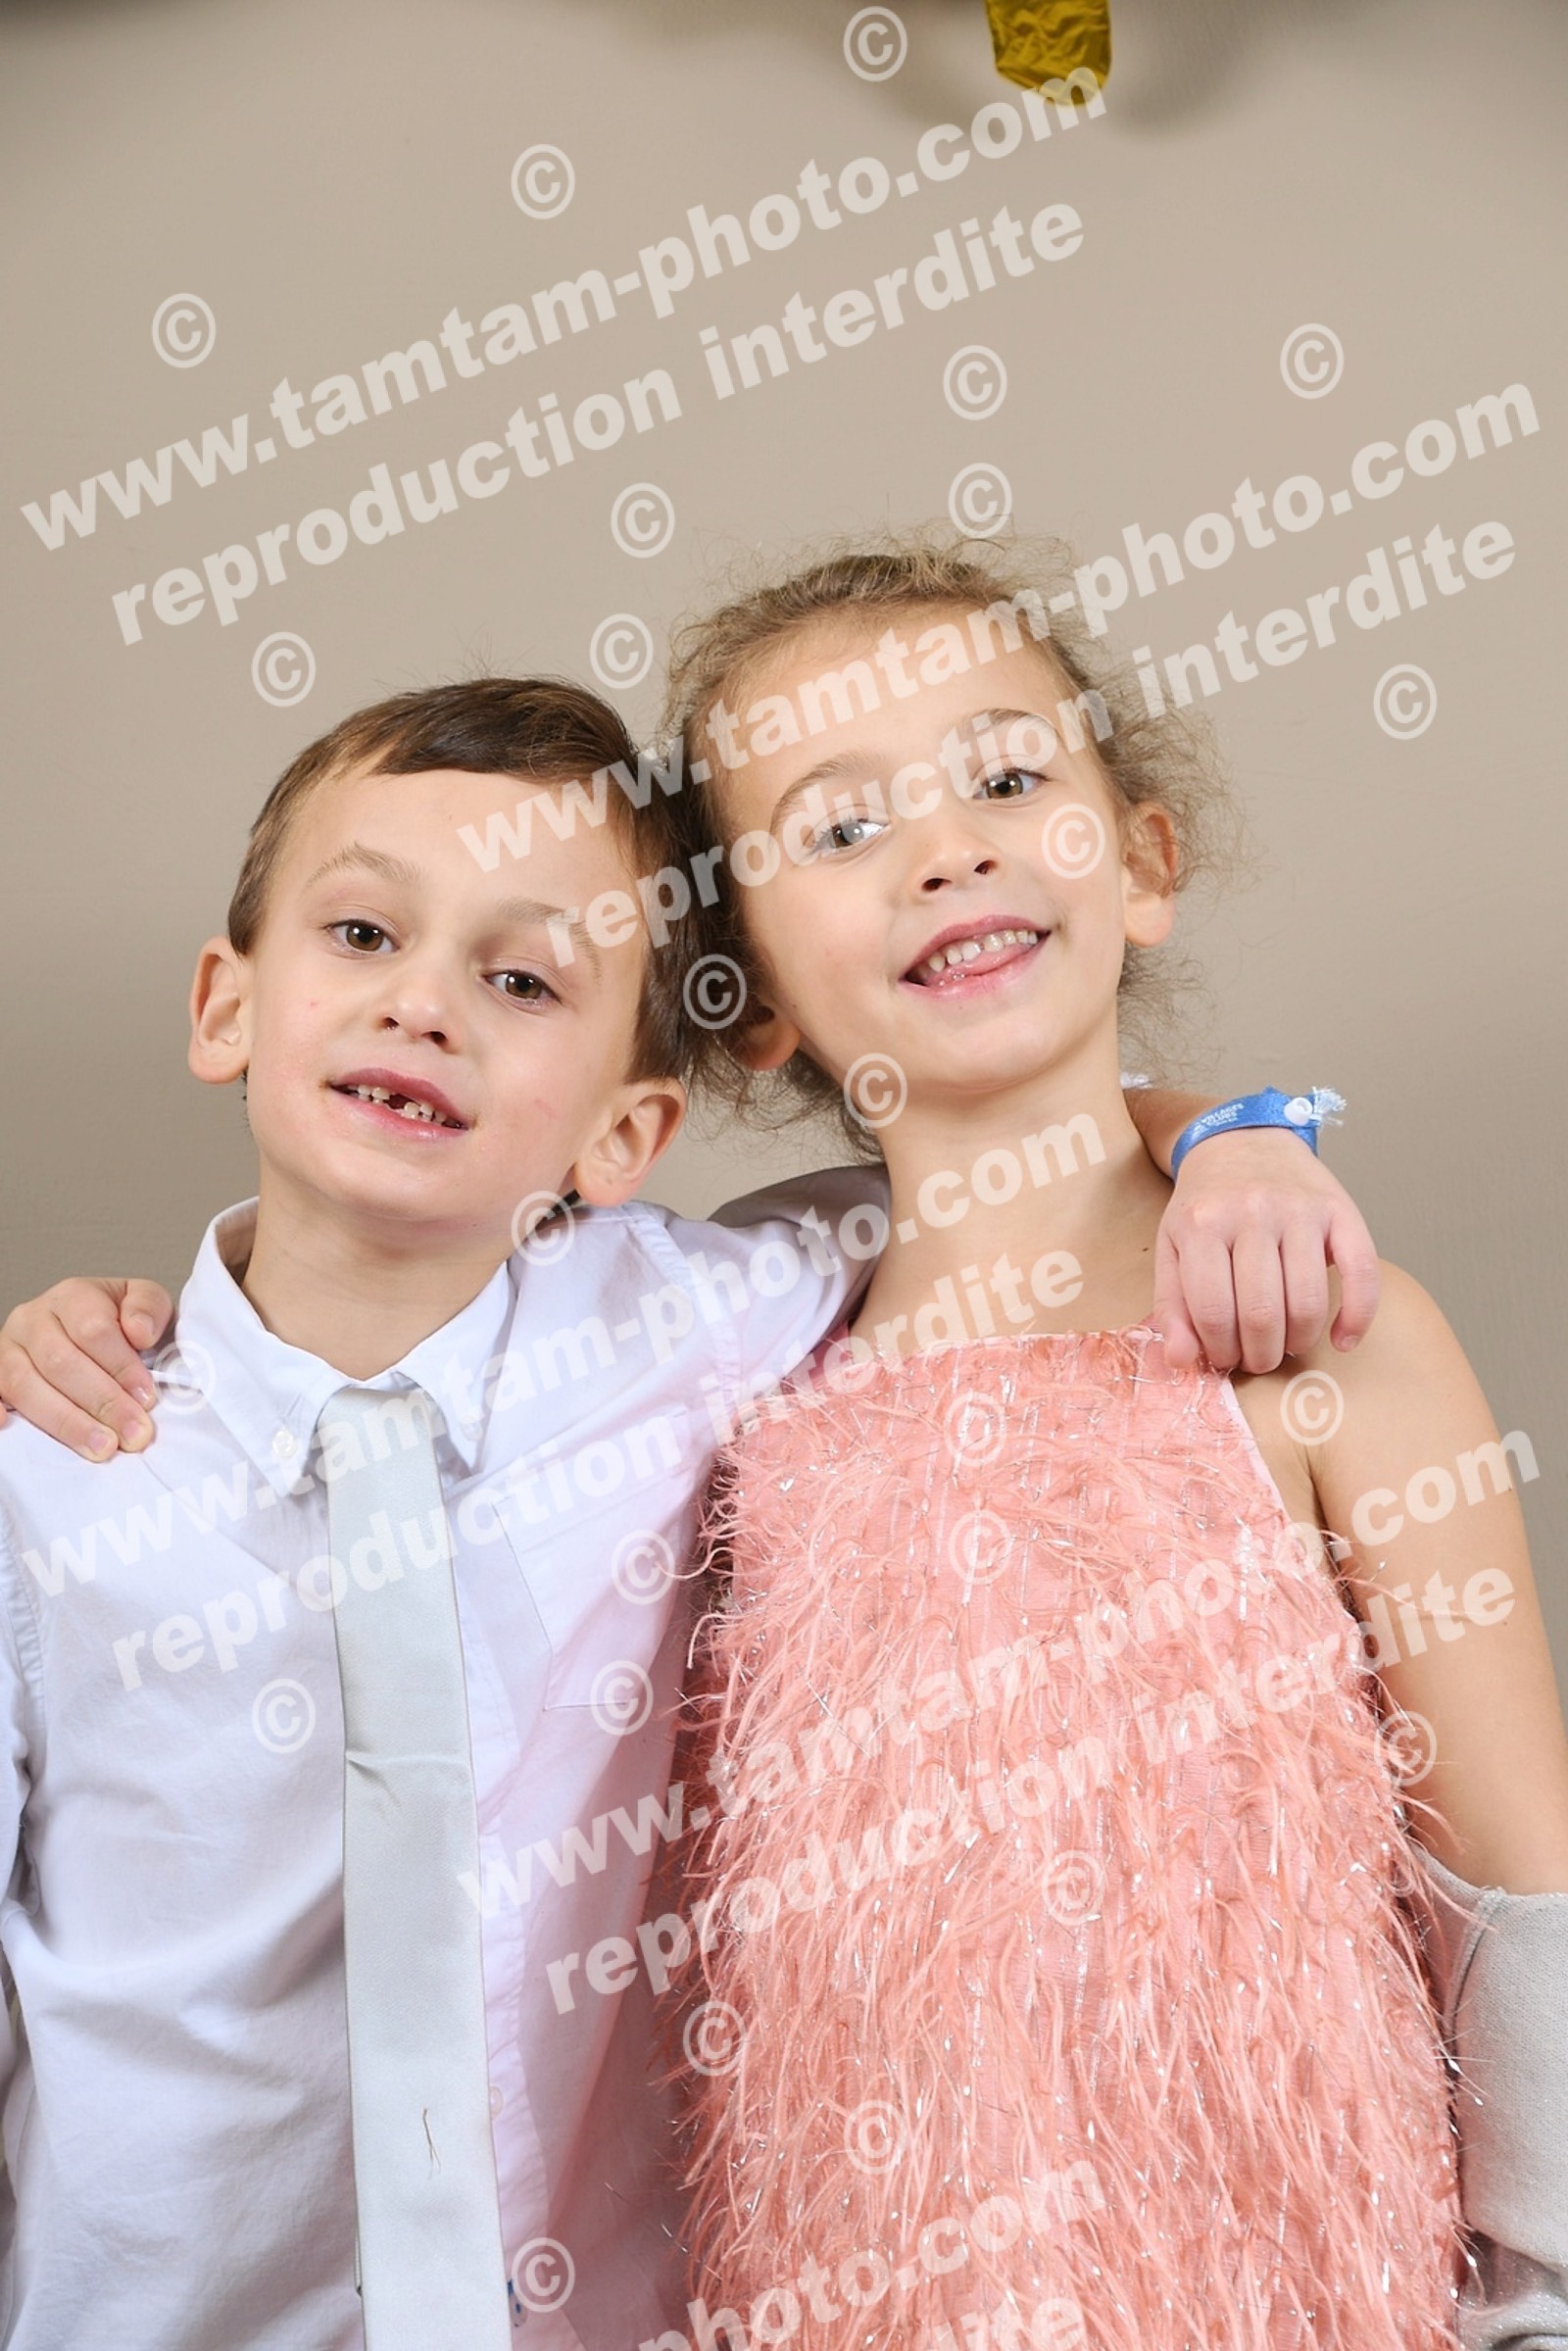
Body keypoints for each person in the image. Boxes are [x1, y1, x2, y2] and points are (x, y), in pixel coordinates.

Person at [0, 668, 1369, 2351]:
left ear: (627, 1131)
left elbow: (1020, 1163)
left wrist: (1239, 1140)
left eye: (521, 979)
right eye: (361, 936)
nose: (423, 1007)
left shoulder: (684, 1327)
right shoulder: (52, 1462)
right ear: (226, 1005)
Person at [643, 537, 1568, 2351]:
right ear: (746, 999)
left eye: (1005, 780)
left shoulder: (1315, 1327)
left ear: (1139, 863)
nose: (946, 850)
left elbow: (1520, 1897)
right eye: (842, 829)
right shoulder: (732, 1380)